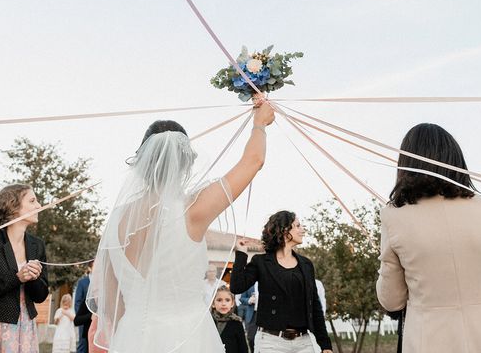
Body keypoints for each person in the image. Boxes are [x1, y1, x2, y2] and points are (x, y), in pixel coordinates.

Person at [87, 96, 275, 352]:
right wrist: (260, 123)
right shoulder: (192, 209)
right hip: (187, 338)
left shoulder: (118, 218)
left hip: (132, 336)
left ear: (142, 162)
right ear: (186, 161)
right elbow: (253, 162)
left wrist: (133, 336)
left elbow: (110, 298)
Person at [376, 123, 481, 353]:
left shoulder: (394, 217)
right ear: (456, 159)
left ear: (406, 164)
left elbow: (391, 299)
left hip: (429, 342)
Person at [230, 211, 333, 353]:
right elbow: (236, 286)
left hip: (303, 343)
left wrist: (325, 344)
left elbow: (315, 305)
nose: (302, 230)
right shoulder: (261, 262)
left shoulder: (306, 264)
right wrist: (241, 254)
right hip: (271, 343)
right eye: (297, 226)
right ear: (285, 230)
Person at [0, 183, 49, 353]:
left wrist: (33, 279)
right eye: (32, 201)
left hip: (25, 329)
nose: (39, 206)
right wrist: (17, 278)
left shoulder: (37, 245)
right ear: (14, 206)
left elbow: (41, 296)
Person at [211, 285, 248, 353]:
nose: (223, 304)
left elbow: (243, 348)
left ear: (232, 303)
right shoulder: (209, 322)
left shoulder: (236, 323)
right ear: (213, 303)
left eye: (227, 300)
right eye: (219, 300)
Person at [74, 261, 93, 353]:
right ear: (90, 268)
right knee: (83, 344)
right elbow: (77, 301)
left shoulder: (102, 281)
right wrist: (81, 317)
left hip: (96, 320)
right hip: (84, 319)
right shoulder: (82, 282)